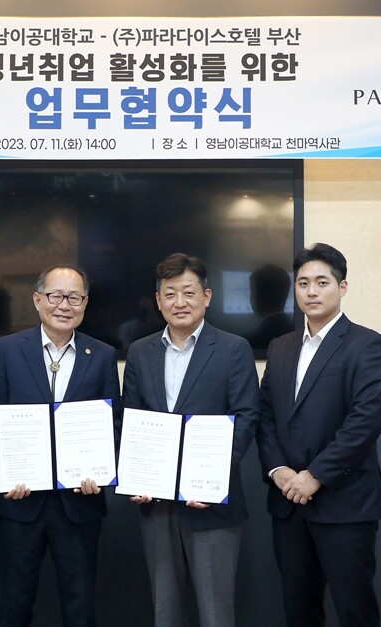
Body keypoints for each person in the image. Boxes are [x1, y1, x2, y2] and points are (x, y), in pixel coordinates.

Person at [256, 243, 381, 627]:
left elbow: (365, 422)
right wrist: (278, 470)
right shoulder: (281, 347)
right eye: (303, 283)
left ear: (342, 287)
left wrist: (315, 476)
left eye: (322, 282)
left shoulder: (368, 344)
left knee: (355, 610)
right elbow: (265, 414)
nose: (311, 291)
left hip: (344, 503)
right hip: (288, 502)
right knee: (299, 610)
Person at [0, 264, 120, 627]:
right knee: (14, 602)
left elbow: (112, 425)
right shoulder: (6, 350)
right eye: (56, 296)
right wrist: (10, 470)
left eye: (74, 297)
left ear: (85, 303)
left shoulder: (102, 354)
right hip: (20, 502)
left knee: (80, 604)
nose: (64, 305)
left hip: (80, 504)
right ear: (38, 300)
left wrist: (100, 472)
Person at [122, 252, 259, 627]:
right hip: (156, 504)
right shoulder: (140, 351)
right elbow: (131, 419)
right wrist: (136, 476)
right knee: (165, 610)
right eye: (170, 294)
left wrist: (211, 479)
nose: (179, 302)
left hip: (211, 503)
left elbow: (246, 416)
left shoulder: (233, 349)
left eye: (188, 292)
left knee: (215, 613)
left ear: (207, 296)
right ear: (158, 300)